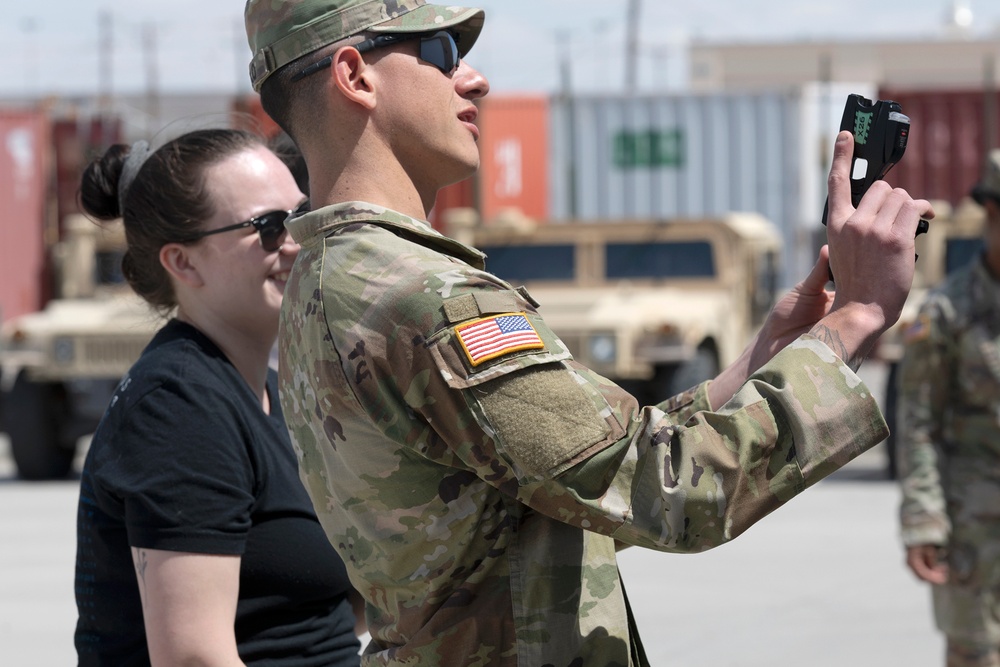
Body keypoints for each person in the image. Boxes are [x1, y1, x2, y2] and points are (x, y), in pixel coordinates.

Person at [244, 1, 933, 664]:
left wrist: (763, 357)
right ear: (354, 76)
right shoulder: (425, 294)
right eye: (441, 52)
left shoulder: (325, 275)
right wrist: (859, 315)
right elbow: (670, 492)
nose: (474, 79)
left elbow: (570, 483)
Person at [73, 128, 364, 666]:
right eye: (270, 228)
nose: (299, 242)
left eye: (303, 214)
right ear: (183, 264)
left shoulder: (274, 394)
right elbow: (193, 658)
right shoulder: (178, 406)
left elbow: (317, 608)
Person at [897, 151, 1000, 667]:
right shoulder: (947, 313)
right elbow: (918, 424)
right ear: (993, 215)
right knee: (976, 655)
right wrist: (922, 521)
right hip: (975, 525)